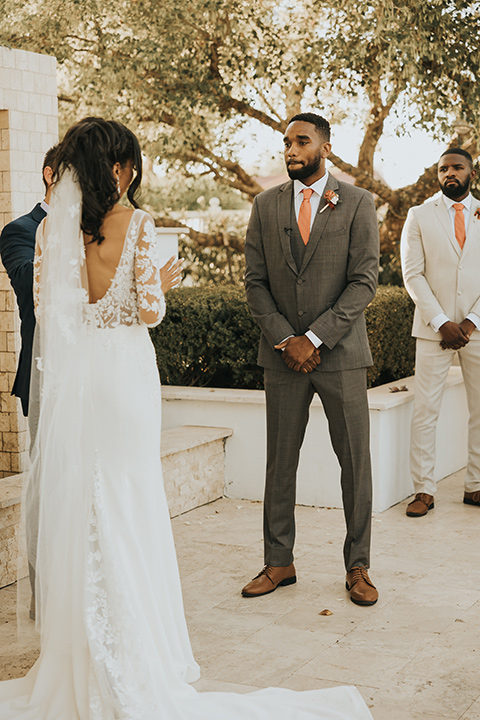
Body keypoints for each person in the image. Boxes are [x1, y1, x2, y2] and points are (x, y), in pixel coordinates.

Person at [0, 117, 373, 720]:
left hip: (79, 385)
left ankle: (80, 660)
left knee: (83, 506)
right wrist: (159, 288)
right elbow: (147, 311)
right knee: (129, 503)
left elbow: (49, 315)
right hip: (124, 381)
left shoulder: (49, 234)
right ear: (119, 169)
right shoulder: (138, 225)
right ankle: (134, 654)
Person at [243, 112, 379, 607]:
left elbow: (365, 280)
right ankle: (279, 561)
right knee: (280, 462)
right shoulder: (264, 205)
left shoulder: (359, 203)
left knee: (355, 464)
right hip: (282, 357)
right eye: (286, 142)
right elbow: (255, 283)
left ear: (325, 146)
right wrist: (287, 338)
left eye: (302, 141)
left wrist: (316, 338)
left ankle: (358, 566)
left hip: (341, 356)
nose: (291, 149)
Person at [401, 148, 480, 517]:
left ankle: (475, 485)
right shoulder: (419, 215)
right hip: (434, 329)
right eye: (443, 168)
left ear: (471, 173)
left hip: (478, 328)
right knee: (425, 410)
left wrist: (470, 321)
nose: (450, 173)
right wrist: (441, 322)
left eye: (457, 167)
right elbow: (412, 274)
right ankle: (423, 490)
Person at [0, 146, 59, 417]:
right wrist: (60, 233)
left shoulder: (95, 229)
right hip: (44, 367)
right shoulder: (19, 230)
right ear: (50, 175)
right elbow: (26, 282)